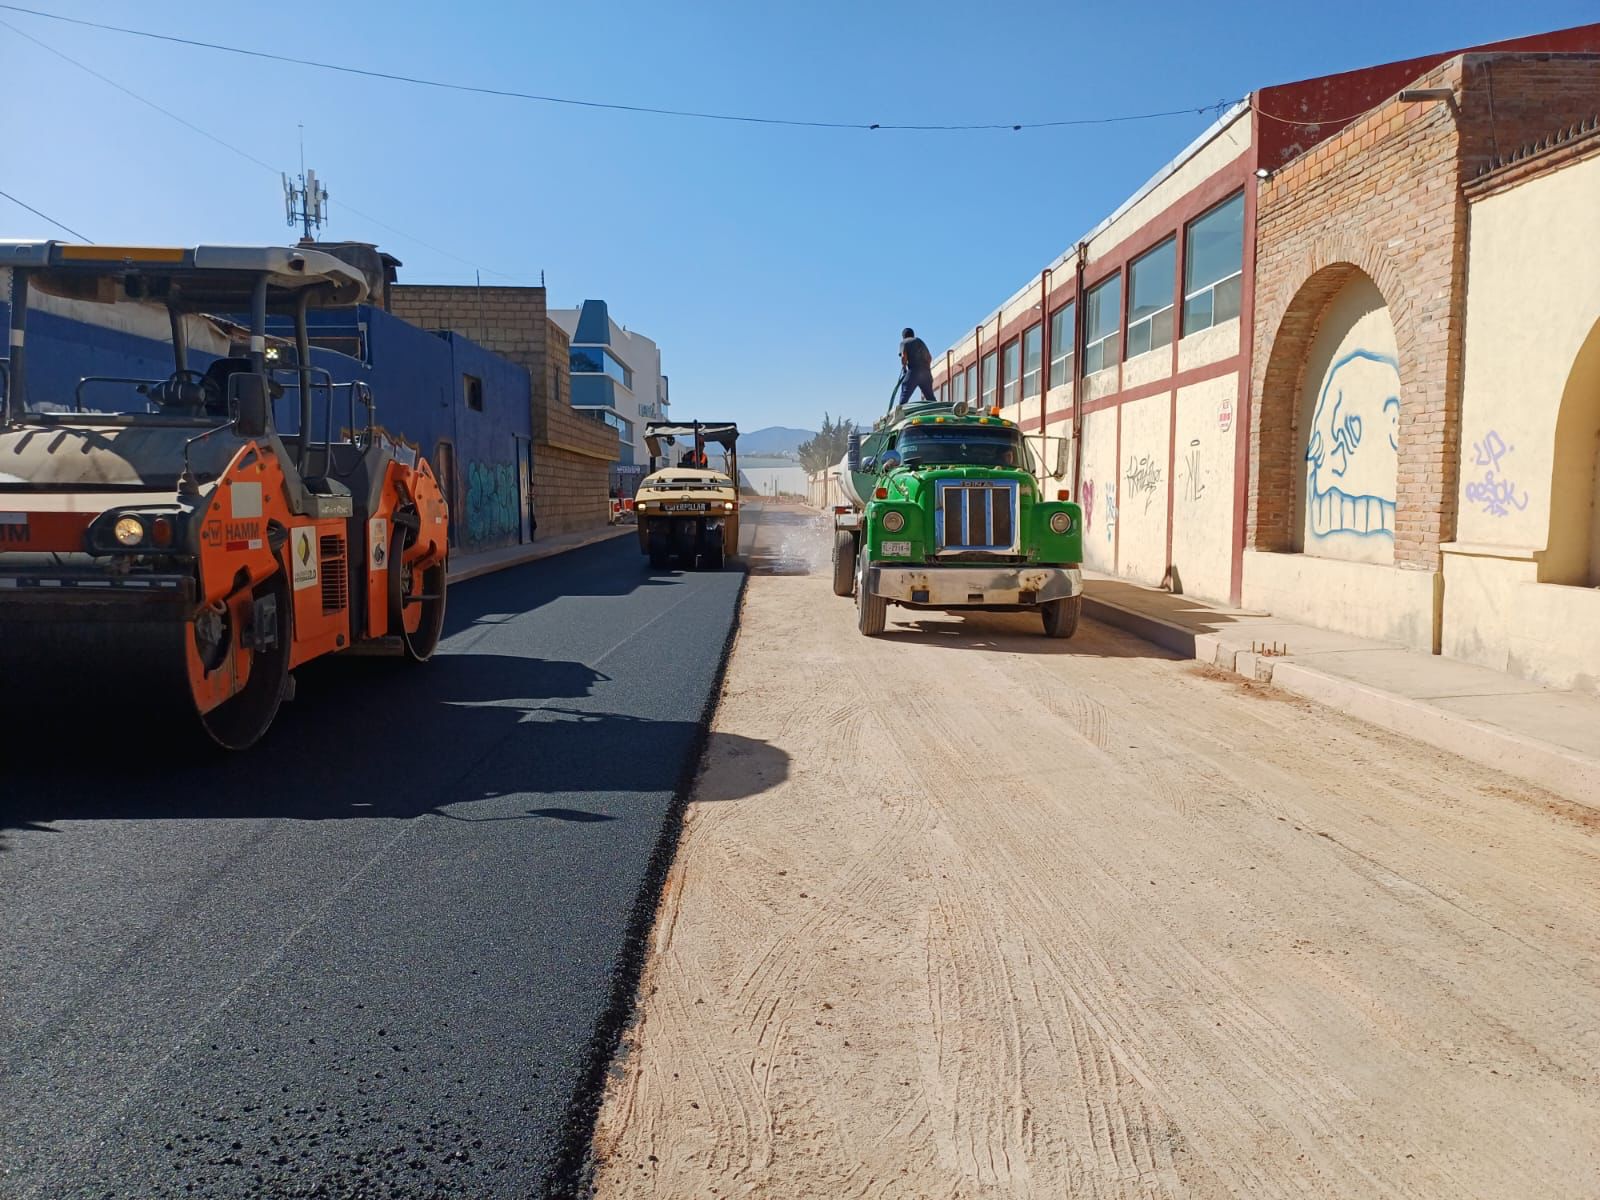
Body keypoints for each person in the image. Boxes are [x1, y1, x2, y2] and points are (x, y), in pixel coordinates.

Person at [897, 327, 936, 408]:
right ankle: (937, 410)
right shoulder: (919, 341)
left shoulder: (904, 342)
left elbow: (904, 357)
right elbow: (929, 357)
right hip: (926, 373)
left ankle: (900, 411)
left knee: (904, 397)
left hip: (913, 372)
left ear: (903, 336)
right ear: (913, 334)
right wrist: (927, 370)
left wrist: (904, 368)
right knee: (930, 398)